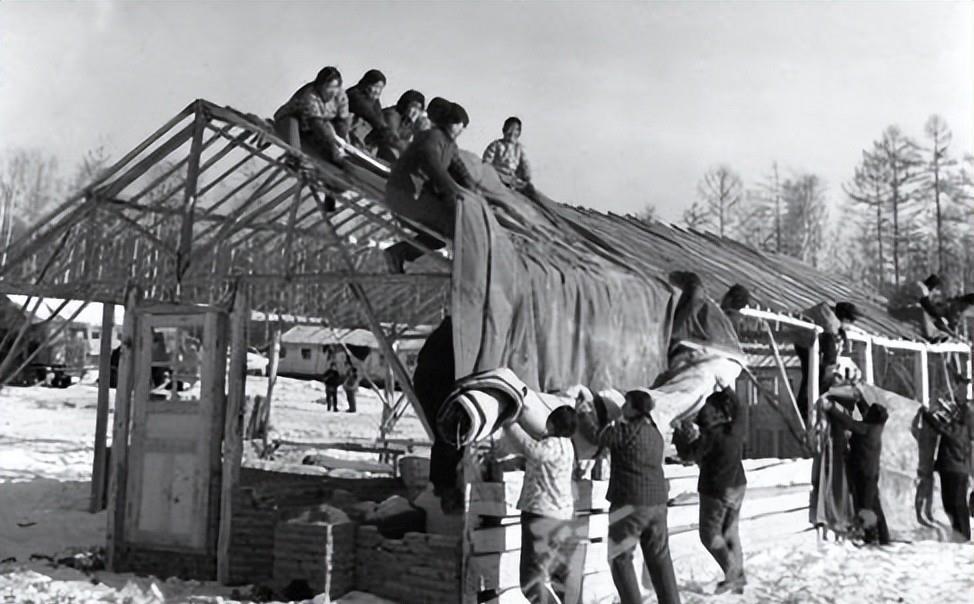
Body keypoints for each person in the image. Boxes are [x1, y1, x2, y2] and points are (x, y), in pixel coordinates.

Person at [584, 389, 681, 604]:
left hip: (630, 503)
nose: (622, 408)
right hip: (657, 503)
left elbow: (596, 436)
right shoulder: (655, 432)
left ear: (634, 409)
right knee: (660, 558)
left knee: (621, 558)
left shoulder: (624, 431)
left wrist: (583, 414)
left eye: (626, 404)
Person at [383, 100, 475, 273]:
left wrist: (474, 191)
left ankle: (398, 252)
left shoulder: (449, 145)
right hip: (406, 194)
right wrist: (453, 191)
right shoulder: (431, 137)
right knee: (453, 223)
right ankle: (464, 270)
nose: (461, 130)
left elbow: (460, 170)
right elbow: (432, 165)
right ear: (450, 123)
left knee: (439, 237)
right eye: (459, 125)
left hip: (417, 195)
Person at [677, 384, 749, 593]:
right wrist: (727, 388)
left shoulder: (711, 436)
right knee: (730, 532)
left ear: (715, 412)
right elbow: (741, 408)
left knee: (709, 536)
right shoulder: (735, 427)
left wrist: (680, 432)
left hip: (716, 490)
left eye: (707, 407)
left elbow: (688, 454)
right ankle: (738, 575)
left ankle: (733, 576)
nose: (703, 410)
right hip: (738, 485)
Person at [503, 406, 578, 604]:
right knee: (558, 574)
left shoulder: (549, 446)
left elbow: (532, 450)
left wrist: (510, 424)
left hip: (541, 515)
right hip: (563, 517)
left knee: (530, 579)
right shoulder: (568, 446)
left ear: (552, 424)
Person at [824, 398, 890, 544]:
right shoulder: (875, 426)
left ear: (871, 417)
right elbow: (866, 412)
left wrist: (831, 408)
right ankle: (883, 537)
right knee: (874, 505)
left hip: (865, 473)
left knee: (866, 506)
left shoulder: (867, 429)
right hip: (869, 472)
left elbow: (849, 422)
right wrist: (859, 398)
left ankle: (871, 536)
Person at [792, 301, 861, 423]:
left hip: (804, 340)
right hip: (806, 343)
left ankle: (807, 403)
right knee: (813, 374)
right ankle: (805, 407)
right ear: (845, 319)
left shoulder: (831, 316)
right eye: (851, 323)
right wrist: (829, 374)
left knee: (813, 374)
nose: (851, 327)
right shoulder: (831, 324)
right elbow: (830, 356)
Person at [274, 66, 350, 164]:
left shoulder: (340, 96)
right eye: (329, 87)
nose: (332, 91)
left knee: (329, 148)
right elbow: (316, 122)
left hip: (311, 128)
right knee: (295, 144)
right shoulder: (309, 94)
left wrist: (341, 140)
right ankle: (294, 157)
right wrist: (333, 139)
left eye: (335, 87)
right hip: (292, 120)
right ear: (320, 85)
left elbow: (342, 121)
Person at [920, 402, 973, 541]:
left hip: (953, 471)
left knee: (955, 505)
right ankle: (961, 533)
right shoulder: (964, 429)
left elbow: (941, 428)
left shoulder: (958, 429)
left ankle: (962, 534)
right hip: (957, 471)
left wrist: (926, 414)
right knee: (956, 505)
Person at [483, 117, 535, 198]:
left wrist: (527, 177)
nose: (512, 133)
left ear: (519, 133)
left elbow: (525, 165)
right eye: (509, 130)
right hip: (497, 176)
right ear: (504, 130)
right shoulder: (496, 145)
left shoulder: (519, 149)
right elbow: (486, 162)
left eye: (515, 130)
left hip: (512, 179)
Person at [369, 90, 426, 163]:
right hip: (373, 148)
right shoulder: (392, 114)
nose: (416, 112)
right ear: (406, 104)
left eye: (419, 109)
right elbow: (392, 139)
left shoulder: (409, 122)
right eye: (414, 107)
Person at [346, 69, 391, 152]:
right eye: (375, 86)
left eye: (380, 88)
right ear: (367, 84)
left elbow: (380, 118)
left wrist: (386, 130)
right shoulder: (355, 95)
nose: (377, 91)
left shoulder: (374, 100)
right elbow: (369, 115)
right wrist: (384, 130)